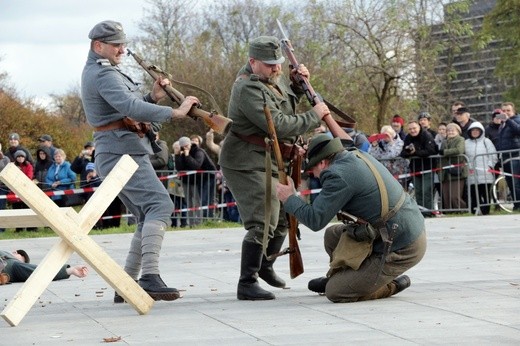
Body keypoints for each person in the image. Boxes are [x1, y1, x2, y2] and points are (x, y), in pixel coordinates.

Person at [80, 20, 199, 302]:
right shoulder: (103, 74)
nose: (122, 49)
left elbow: (125, 107)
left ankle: (126, 284)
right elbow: (130, 107)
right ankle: (149, 277)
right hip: (122, 153)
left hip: (122, 150)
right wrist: (175, 112)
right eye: (116, 44)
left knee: (147, 214)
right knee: (161, 204)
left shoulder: (106, 73)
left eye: (123, 43)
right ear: (99, 46)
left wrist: (152, 96)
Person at [219, 35, 329, 300]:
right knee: (262, 216)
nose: (277, 68)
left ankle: (265, 265)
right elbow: (278, 123)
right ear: (252, 62)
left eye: (279, 63)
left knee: (281, 215)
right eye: (270, 65)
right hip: (245, 161)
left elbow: (285, 101)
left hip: (268, 158)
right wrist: (314, 115)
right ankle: (246, 282)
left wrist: (298, 84)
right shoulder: (248, 88)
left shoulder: (270, 79)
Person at [275, 134, 426, 302]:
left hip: (402, 244)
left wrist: (289, 198)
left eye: (313, 170)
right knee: (332, 235)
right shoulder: (353, 154)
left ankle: (390, 284)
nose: (315, 176)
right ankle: (350, 279)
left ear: (323, 163)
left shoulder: (337, 175)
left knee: (336, 292)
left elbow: (315, 220)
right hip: (394, 229)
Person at [401, 121, 438, 212]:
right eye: (410, 129)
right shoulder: (408, 138)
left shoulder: (426, 135)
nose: (412, 131)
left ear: (419, 127)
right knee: (418, 191)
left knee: (426, 191)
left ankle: (428, 211)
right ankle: (421, 211)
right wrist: (408, 152)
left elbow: (431, 151)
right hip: (415, 169)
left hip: (427, 168)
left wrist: (415, 152)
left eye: (414, 128)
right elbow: (403, 153)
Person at [0, 249, 88, 284]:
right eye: (21, 256)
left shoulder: (15, 265)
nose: (21, 260)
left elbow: (39, 271)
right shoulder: (9, 259)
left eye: (24, 261)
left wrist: (69, 270)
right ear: (14, 252)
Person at [465, 122, 498, 215]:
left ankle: (485, 211)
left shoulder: (486, 141)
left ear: (481, 131)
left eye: (477, 130)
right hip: (471, 173)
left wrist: (489, 165)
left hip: (486, 173)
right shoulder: (466, 143)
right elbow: (463, 157)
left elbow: (493, 154)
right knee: (474, 194)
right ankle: (475, 210)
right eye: (473, 130)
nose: (475, 132)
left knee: (486, 193)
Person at [495, 102, 520, 210]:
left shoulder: (516, 120)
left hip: (515, 156)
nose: (505, 113)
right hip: (505, 158)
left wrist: (508, 120)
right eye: (503, 111)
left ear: (513, 111)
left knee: (516, 183)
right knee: (510, 183)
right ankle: (516, 204)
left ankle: (519, 204)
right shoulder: (502, 124)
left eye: (508, 110)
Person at [438, 123, 467, 211]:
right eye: (448, 130)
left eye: (452, 130)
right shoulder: (444, 142)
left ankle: (462, 210)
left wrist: (445, 152)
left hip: (457, 170)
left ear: (458, 131)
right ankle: (449, 211)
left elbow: (459, 150)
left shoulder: (460, 139)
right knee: (446, 195)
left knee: (455, 195)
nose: (450, 132)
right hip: (445, 171)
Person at [0, 144, 10, 233]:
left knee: (1, 208)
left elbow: (7, 171)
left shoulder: (5, 159)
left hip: (2, 187)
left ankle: (2, 228)